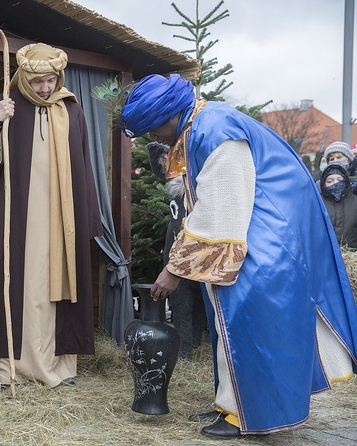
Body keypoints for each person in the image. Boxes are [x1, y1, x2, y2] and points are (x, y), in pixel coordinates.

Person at [121, 74, 357, 439]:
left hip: (266, 240)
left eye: (153, 130)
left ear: (169, 115)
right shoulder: (200, 125)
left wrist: (174, 269)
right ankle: (230, 404)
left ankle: (243, 415)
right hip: (255, 229)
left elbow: (221, 209)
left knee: (248, 325)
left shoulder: (215, 131)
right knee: (228, 324)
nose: (154, 138)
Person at [0, 43, 102, 388]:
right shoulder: (1, 105)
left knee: (55, 282)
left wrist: (86, 217)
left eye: (50, 80)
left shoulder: (71, 110)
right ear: (23, 76)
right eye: (37, 81)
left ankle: (57, 366)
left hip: (59, 218)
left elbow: (83, 166)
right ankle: (9, 367)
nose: (44, 88)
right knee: (13, 281)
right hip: (14, 216)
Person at [147, 141, 207, 361]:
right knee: (181, 302)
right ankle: (184, 352)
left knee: (201, 300)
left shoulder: (204, 191)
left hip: (201, 252)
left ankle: (195, 344)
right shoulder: (178, 192)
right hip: (177, 249)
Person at [320, 164, 357, 248]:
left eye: (340, 180)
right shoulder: (319, 204)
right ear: (323, 184)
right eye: (330, 181)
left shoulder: (355, 202)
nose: (335, 183)